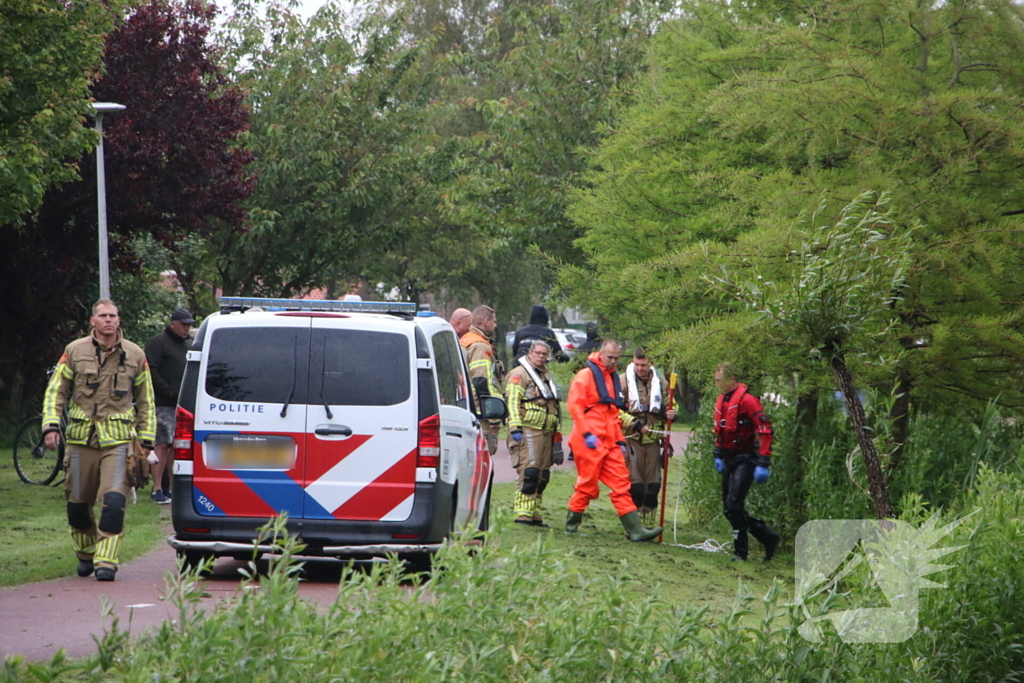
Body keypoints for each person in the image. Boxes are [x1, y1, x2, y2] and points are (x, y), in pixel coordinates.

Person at [42, 299, 156, 581]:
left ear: (119, 320)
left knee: (114, 503)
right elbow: (56, 391)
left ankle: (107, 561)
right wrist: (50, 426)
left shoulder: (134, 353)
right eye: (103, 316)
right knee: (78, 507)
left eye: (113, 316)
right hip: (81, 441)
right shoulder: (74, 351)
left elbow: (147, 401)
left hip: (118, 442)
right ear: (93, 321)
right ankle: (85, 553)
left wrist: (147, 440)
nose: (108, 320)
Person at [565, 340, 661, 541]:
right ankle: (571, 526)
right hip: (588, 440)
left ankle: (636, 531)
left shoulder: (611, 378)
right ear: (600, 354)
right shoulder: (585, 376)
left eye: (616, 358)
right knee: (587, 485)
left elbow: (612, 413)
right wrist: (586, 434)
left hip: (609, 442)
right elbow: (575, 407)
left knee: (621, 484)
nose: (613, 362)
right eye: (610, 357)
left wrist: (619, 442)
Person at [712, 362, 780, 562]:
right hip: (728, 456)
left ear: (732, 379)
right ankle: (768, 537)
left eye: (720, 380)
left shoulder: (748, 401)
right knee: (729, 508)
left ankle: (740, 553)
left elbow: (765, 430)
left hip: (747, 458)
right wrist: (717, 454)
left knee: (734, 504)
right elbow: (720, 431)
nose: (717, 384)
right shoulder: (722, 400)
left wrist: (763, 463)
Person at [505, 341, 563, 527]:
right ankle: (522, 514)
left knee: (543, 474)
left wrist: (557, 436)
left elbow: (554, 406)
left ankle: (535, 513)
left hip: (547, 431)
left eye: (544, 354)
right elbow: (512, 403)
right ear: (530, 353)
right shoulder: (519, 375)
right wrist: (515, 428)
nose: (541, 357)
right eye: (538, 353)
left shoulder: (546, 375)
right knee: (529, 471)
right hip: (528, 429)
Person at [619, 348, 676, 527]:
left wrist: (673, 413)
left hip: (653, 439)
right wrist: (634, 423)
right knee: (634, 485)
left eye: (644, 365)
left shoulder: (662, 383)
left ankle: (648, 523)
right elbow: (614, 411)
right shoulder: (622, 381)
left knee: (652, 486)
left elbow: (671, 405)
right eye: (637, 365)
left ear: (651, 363)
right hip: (631, 438)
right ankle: (633, 525)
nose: (640, 368)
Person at [144, 307, 194, 504]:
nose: (186, 328)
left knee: (176, 446)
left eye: (189, 325)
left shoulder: (188, 345)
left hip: (182, 405)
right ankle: (157, 488)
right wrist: (168, 391)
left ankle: (173, 489)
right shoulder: (158, 343)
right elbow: (150, 369)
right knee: (161, 444)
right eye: (183, 325)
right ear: (172, 324)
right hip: (163, 403)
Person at [460, 305, 503, 455]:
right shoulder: (480, 346)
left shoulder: (465, 340)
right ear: (486, 321)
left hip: (467, 409)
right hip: (480, 415)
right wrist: (493, 416)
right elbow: (482, 382)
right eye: (494, 321)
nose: (495, 325)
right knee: (483, 459)